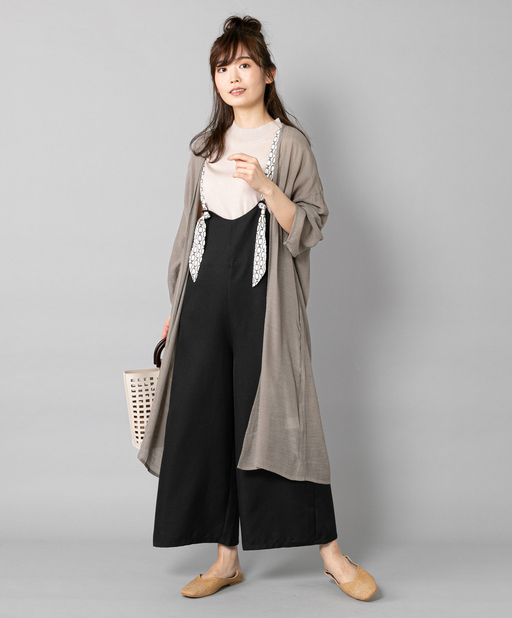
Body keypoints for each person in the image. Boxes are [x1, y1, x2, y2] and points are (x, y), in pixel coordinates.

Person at [148, 14, 378, 601]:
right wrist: (177, 306)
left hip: (263, 296)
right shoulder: (204, 149)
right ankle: (226, 559)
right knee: (207, 418)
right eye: (222, 68)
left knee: (280, 414)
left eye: (244, 64)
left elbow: (311, 226)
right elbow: (188, 231)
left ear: (268, 74)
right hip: (203, 293)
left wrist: (267, 186)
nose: (233, 77)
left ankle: (332, 555)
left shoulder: (289, 144)